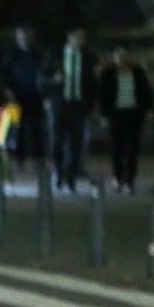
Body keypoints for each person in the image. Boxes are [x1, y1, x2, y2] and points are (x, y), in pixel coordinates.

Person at [47, 27, 99, 193]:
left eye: (83, 38)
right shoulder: (55, 56)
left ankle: (70, 177)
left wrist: (90, 105)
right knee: (57, 142)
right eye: (77, 37)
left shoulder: (89, 58)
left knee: (76, 144)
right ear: (69, 37)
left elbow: (93, 84)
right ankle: (59, 173)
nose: (80, 41)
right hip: (59, 105)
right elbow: (41, 78)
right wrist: (53, 80)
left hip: (78, 106)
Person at [98, 45, 153, 195]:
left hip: (134, 115)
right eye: (118, 56)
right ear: (114, 58)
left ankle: (129, 181)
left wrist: (148, 110)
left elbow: (146, 92)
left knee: (132, 149)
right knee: (116, 148)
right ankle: (117, 177)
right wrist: (103, 115)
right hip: (115, 116)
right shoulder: (108, 74)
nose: (121, 59)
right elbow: (102, 96)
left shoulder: (138, 72)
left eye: (124, 55)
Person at [0, 25, 51, 170]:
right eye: (21, 36)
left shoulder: (39, 54)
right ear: (17, 38)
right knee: (18, 129)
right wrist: (8, 91)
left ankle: (38, 159)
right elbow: (5, 75)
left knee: (37, 128)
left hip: (36, 97)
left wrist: (45, 94)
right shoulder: (12, 55)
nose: (24, 39)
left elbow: (45, 74)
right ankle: (19, 159)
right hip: (17, 98)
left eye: (26, 35)